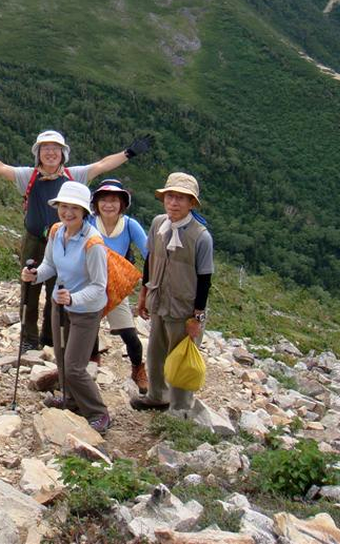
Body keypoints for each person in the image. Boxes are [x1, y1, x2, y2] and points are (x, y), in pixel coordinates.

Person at [0, 129, 153, 351]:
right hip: (34, 240)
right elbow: (1, 169)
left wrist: (129, 153)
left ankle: (50, 338)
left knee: (57, 289)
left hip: (64, 241)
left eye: (55, 149)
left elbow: (102, 165)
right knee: (29, 288)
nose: (51, 153)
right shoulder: (28, 175)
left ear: (63, 153)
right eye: (46, 149)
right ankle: (29, 339)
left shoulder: (73, 175)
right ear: (38, 153)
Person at [21, 181, 111, 434]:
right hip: (59, 306)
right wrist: (35, 275)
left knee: (74, 365)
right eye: (64, 206)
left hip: (85, 311)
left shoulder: (93, 243)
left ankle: (98, 412)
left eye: (74, 208)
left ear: (84, 212)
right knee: (60, 356)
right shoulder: (57, 231)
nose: (68, 212)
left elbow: (98, 286)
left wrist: (73, 299)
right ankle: (70, 399)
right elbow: (50, 264)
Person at [131, 172, 214, 415]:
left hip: (184, 308)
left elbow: (205, 279)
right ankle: (157, 396)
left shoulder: (200, 236)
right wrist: (144, 294)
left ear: (191, 203)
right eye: (170, 197)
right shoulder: (158, 224)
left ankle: (180, 409)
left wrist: (197, 318)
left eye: (181, 198)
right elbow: (150, 259)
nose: (174, 203)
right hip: (159, 300)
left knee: (181, 359)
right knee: (155, 354)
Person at [90, 179, 149, 393]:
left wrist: (150, 282)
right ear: (96, 203)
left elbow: (148, 252)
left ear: (122, 203)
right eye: (103, 200)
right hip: (90, 284)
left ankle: (138, 368)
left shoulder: (130, 225)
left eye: (114, 200)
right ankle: (92, 364)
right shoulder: (88, 221)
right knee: (89, 330)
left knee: (129, 334)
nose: (108, 205)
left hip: (116, 287)